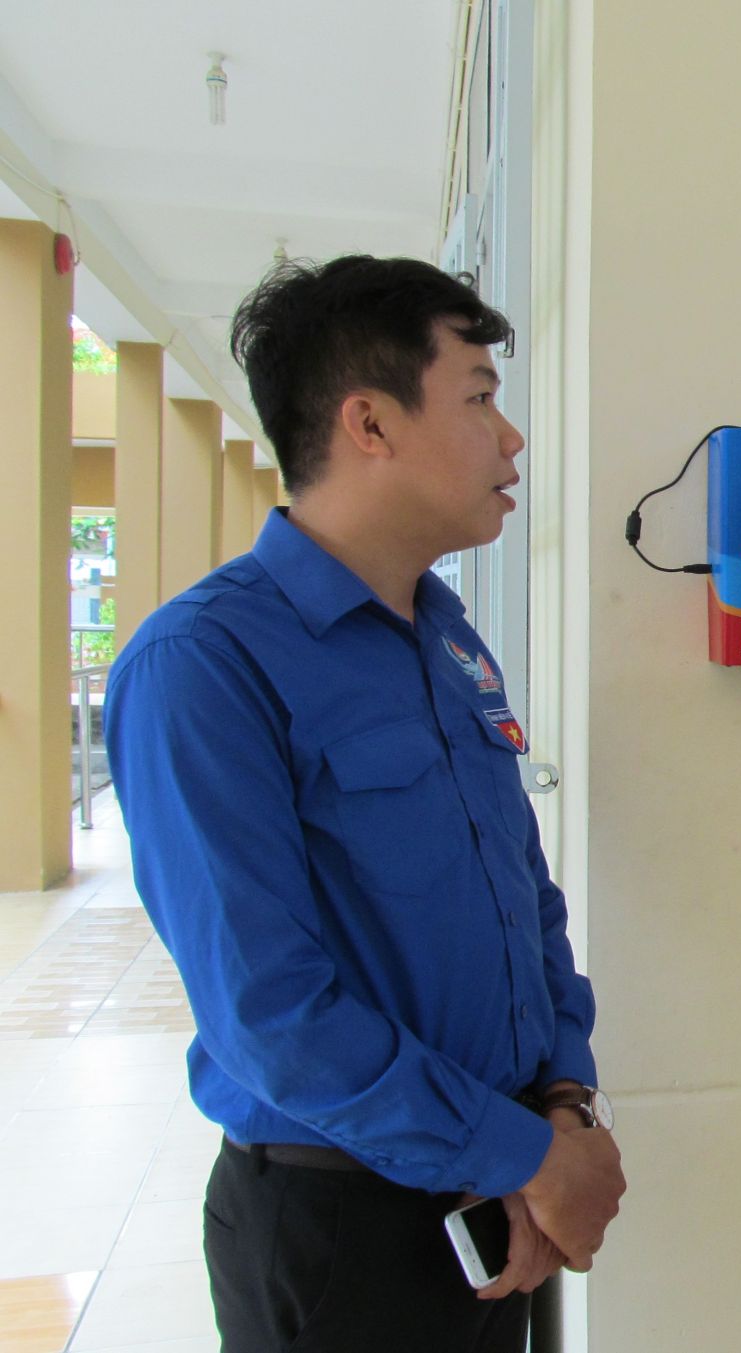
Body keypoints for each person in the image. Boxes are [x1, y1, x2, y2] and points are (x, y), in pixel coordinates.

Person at [105, 256, 625, 1352]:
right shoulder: (203, 664)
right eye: (479, 398)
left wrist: (563, 1102)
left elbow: (525, 899)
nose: (511, 438)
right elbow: (272, 1017)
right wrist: (526, 1155)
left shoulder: (446, 638)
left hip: (505, 1202)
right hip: (342, 1225)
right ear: (370, 423)